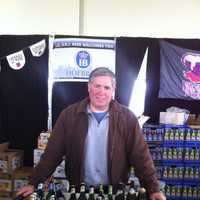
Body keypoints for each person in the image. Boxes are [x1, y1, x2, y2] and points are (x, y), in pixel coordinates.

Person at [17, 67, 165, 200]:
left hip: (115, 192)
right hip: (79, 191)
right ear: (89, 87)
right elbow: (52, 153)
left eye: (107, 87)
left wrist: (153, 189)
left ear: (113, 90)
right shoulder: (69, 115)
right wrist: (34, 183)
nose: (102, 92)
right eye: (97, 86)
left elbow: (141, 156)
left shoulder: (127, 118)